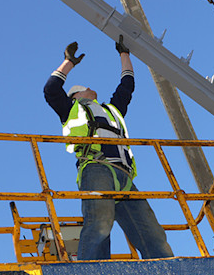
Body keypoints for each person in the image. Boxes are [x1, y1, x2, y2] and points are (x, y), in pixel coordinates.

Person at [43, 36, 174, 261]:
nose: (90, 88)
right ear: (75, 96)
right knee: (100, 225)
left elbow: (127, 87)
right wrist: (68, 63)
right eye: (84, 88)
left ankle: (170, 273)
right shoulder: (70, 109)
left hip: (124, 176)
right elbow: (51, 90)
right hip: (96, 168)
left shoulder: (112, 110)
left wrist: (124, 54)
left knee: (151, 232)